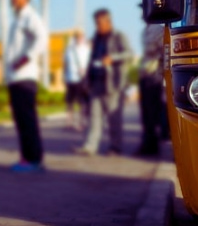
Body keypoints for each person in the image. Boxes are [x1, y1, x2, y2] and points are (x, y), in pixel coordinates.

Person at [4, 0, 48, 173]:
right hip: (15, 77)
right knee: (21, 120)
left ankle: (34, 159)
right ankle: (26, 157)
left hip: (25, 77)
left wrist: (25, 58)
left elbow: (42, 39)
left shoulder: (30, 16)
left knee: (27, 120)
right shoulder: (18, 18)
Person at [77, 9, 133, 156]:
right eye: (96, 23)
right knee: (94, 117)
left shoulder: (119, 36)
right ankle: (90, 147)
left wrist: (112, 58)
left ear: (108, 22)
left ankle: (116, 147)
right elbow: (92, 59)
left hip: (112, 84)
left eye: (99, 23)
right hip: (96, 83)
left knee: (114, 119)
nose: (97, 26)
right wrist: (87, 80)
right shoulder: (96, 38)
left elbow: (129, 53)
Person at [137, 20, 166, 156]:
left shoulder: (158, 29)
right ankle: (148, 143)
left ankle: (152, 144)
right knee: (146, 113)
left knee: (153, 112)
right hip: (145, 74)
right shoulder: (145, 31)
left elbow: (164, 50)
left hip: (155, 76)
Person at [63, 29, 90, 131]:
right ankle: (69, 123)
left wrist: (85, 70)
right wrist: (64, 77)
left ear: (83, 37)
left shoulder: (86, 50)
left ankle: (81, 122)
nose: (79, 38)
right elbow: (65, 64)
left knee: (81, 102)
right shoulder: (69, 50)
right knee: (69, 102)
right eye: (77, 36)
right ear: (74, 38)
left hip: (81, 79)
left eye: (81, 36)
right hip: (70, 79)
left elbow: (90, 63)